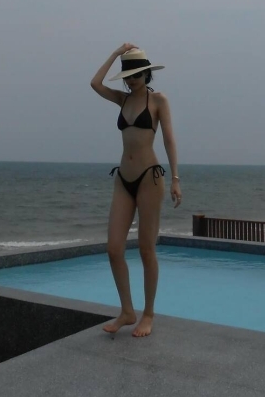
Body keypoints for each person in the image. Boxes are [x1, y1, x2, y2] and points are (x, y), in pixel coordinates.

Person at [90, 44, 181, 337]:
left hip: (148, 178)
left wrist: (176, 178)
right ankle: (127, 311)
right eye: (127, 76)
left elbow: (169, 139)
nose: (131, 80)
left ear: (146, 73)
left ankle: (148, 314)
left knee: (145, 249)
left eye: (136, 75)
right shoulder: (122, 99)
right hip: (123, 179)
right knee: (114, 248)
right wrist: (115, 53)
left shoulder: (158, 100)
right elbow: (95, 83)